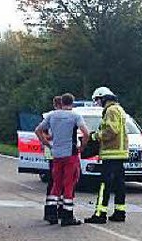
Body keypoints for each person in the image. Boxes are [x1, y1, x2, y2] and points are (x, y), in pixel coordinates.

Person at [36, 93, 90, 226]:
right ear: (72, 103)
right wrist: (82, 147)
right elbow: (86, 133)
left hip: (57, 155)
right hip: (70, 154)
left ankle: (52, 214)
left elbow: (38, 130)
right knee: (69, 184)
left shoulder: (52, 116)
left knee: (56, 184)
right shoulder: (75, 116)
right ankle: (67, 216)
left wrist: (47, 144)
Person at [85, 86, 129, 224]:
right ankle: (119, 212)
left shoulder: (111, 110)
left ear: (103, 98)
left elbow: (111, 130)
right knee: (119, 184)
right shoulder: (119, 109)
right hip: (120, 153)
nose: (98, 103)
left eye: (98, 100)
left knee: (105, 184)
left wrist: (96, 136)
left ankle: (100, 214)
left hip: (111, 154)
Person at [41, 95, 63, 222]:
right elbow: (42, 132)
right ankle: (50, 211)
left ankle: (60, 209)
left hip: (62, 153)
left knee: (62, 183)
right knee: (54, 182)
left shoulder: (68, 115)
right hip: (53, 153)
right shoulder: (49, 116)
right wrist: (48, 140)